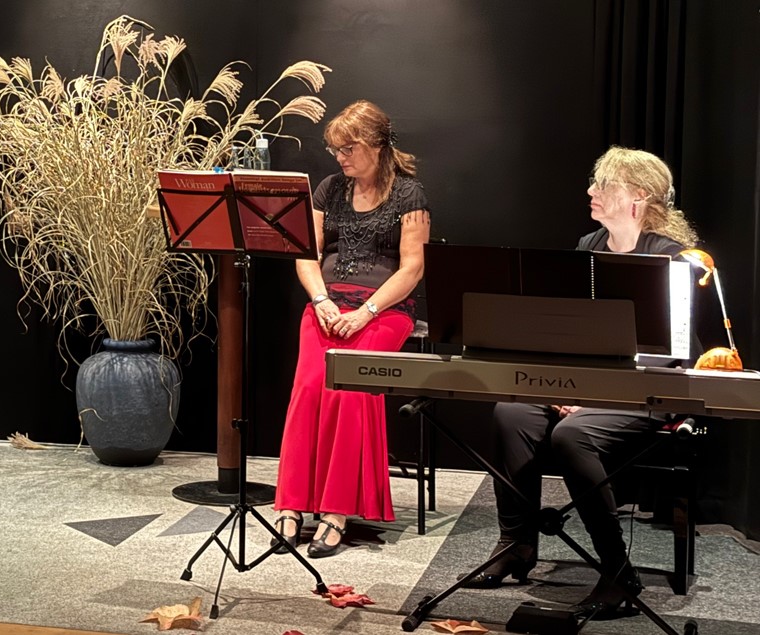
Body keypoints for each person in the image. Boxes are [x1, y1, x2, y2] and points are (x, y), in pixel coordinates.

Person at [465, 146, 699, 616]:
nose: (590, 192)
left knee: (573, 433)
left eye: (602, 185)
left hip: (649, 389)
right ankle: (516, 544)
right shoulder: (587, 247)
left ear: (637, 197)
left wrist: (592, 394)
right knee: (511, 411)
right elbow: (567, 331)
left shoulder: (674, 258)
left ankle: (617, 572)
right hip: (584, 384)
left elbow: (671, 352)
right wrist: (565, 386)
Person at [272, 100, 430, 558]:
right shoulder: (328, 190)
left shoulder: (409, 195)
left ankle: (336, 512)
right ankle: (291, 506)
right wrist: (320, 299)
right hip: (328, 304)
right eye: (335, 149)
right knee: (307, 387)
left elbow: (412, 269)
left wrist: (367, 313)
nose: (340, 157)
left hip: (384, 310)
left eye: (349, 148)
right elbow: (305, 253)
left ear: (377, 146)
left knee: (350, 391)